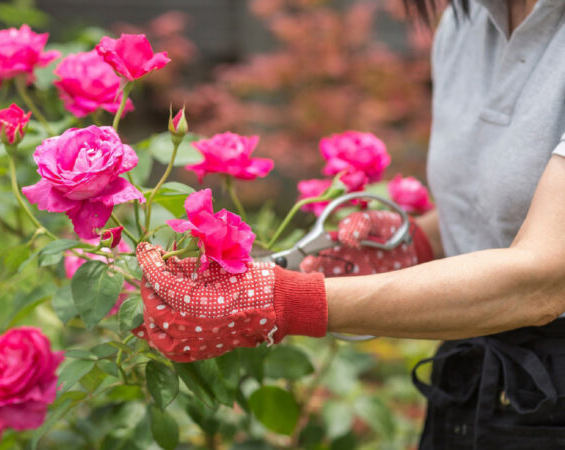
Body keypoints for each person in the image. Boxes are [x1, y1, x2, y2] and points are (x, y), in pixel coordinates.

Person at [133, 0, 565, 448]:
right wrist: (416, 239)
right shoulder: (467, 20)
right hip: (474, 381)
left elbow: (543, 280)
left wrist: (282, 301)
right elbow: (504, 208)